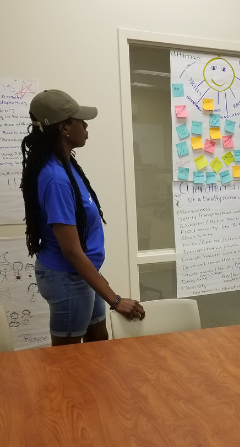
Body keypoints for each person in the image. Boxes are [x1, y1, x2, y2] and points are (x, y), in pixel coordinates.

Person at [21, 89, 145, 346]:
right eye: (80, 120)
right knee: (69, 362)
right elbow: (72, 252)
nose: (86, 126)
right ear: (64, 127)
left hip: (80, 274)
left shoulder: (66, 166)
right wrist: (116, 300)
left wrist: (100, 281)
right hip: (66, 277)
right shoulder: (55, 178)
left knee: (98, 340)